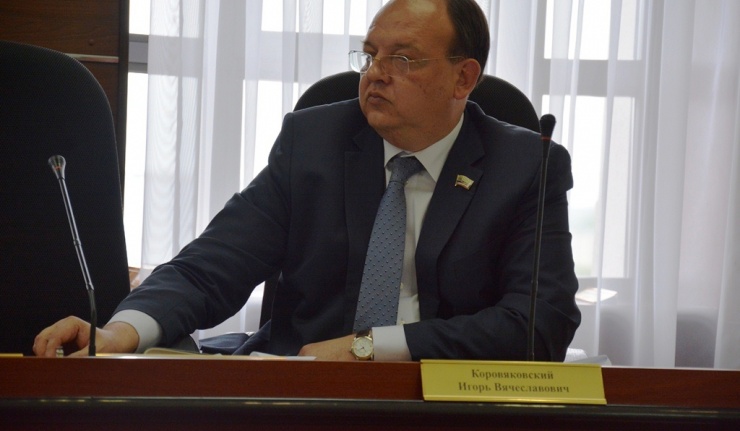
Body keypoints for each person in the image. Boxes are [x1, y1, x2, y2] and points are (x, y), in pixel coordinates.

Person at [34, 0, 580, 361]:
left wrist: (372, 347)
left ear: (464, 78)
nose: (376, 74)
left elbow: (540, 321)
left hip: (443, 404)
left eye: (403, 59)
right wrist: (118, 333)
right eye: (371, 55)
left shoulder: (526, 166)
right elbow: (211, 267)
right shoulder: (314, 142)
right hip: (302, 395)